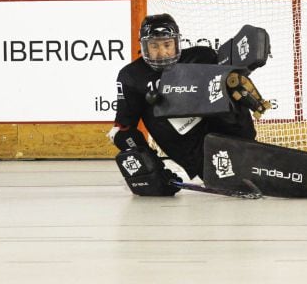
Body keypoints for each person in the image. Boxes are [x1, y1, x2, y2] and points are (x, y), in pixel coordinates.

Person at [109, 13, 258, 196]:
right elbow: (122, 130)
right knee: (146, 115)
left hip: (227, 128)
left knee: (228, 83)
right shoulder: (132, 76)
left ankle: (247, 149)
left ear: (177, 42)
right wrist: (150, 166)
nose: (161, 52)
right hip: (191, 149)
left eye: (167, 44)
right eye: (153, 46)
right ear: (143, 46)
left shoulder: (202, 56)